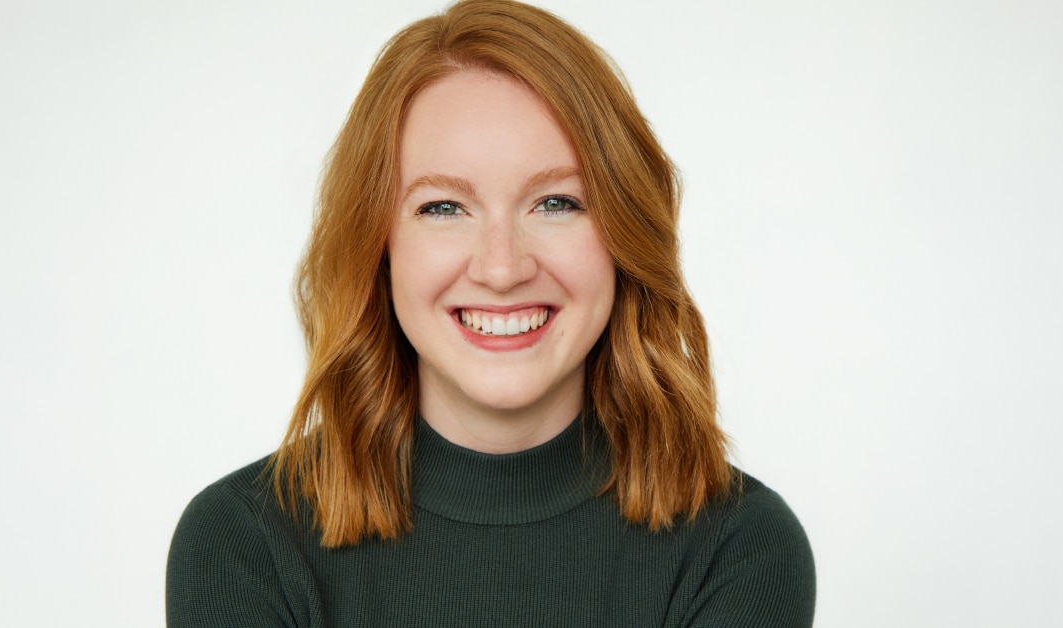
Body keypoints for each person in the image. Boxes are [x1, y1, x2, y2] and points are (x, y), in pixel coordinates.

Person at [166, 1, 815, 626]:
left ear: (625, 235)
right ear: (379, 246)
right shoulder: (242, 546)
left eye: (557, 203)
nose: (502, 269)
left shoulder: (740, 551)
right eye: (443, 208)